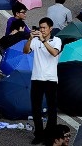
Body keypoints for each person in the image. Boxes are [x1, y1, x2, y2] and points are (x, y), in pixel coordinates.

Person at [23, 17, 61, 145]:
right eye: (40, 28)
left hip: (51, 79)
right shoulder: (35, 40)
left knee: (52, 108)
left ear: (51, 28)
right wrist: (30, 39)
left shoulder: (57, 40)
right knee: (36, 108)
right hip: (37, 78)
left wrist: (44, 41)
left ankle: (50, 135)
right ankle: (39, 134)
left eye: (44, 28)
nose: (42, 30)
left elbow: (54, 53)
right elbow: (26, 51)